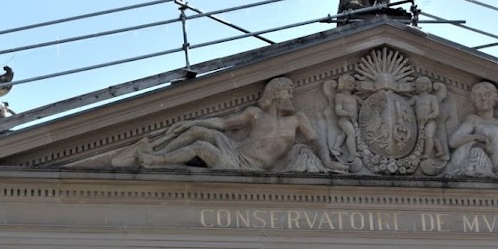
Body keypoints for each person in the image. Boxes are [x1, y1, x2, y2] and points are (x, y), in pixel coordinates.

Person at [129, 77, 346, 173]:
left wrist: (328, 162)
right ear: (274, 93)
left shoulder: (297, 119)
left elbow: (316, 141)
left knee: (201, 147)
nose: (291, 95)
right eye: (287, 91)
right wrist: (194, 120)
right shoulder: (255, 114)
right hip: (234, 156)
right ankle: (159, 156)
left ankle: (157, 159)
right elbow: (223, 124)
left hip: (249, 167)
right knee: (198, 132)